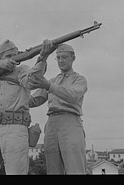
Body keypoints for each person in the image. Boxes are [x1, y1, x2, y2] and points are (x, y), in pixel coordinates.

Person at [0, 39, 53, 175]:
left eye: (15, 55)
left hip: (16, 127)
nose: (12, 59)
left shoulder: (22, 70)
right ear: (0, 58)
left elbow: (32, 80)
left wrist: (43, 57)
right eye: (8, 56)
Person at [28, 42, 88, 175]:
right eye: (58, 57)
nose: (60, 60)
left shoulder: (80, 80)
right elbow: (33, 100)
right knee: (53, 170)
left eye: (64, 57)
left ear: (73, 58)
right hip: (51, 125)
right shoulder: (52, 80)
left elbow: (73, 96)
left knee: (75, 169)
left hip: (71, 123)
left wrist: (49, 86)